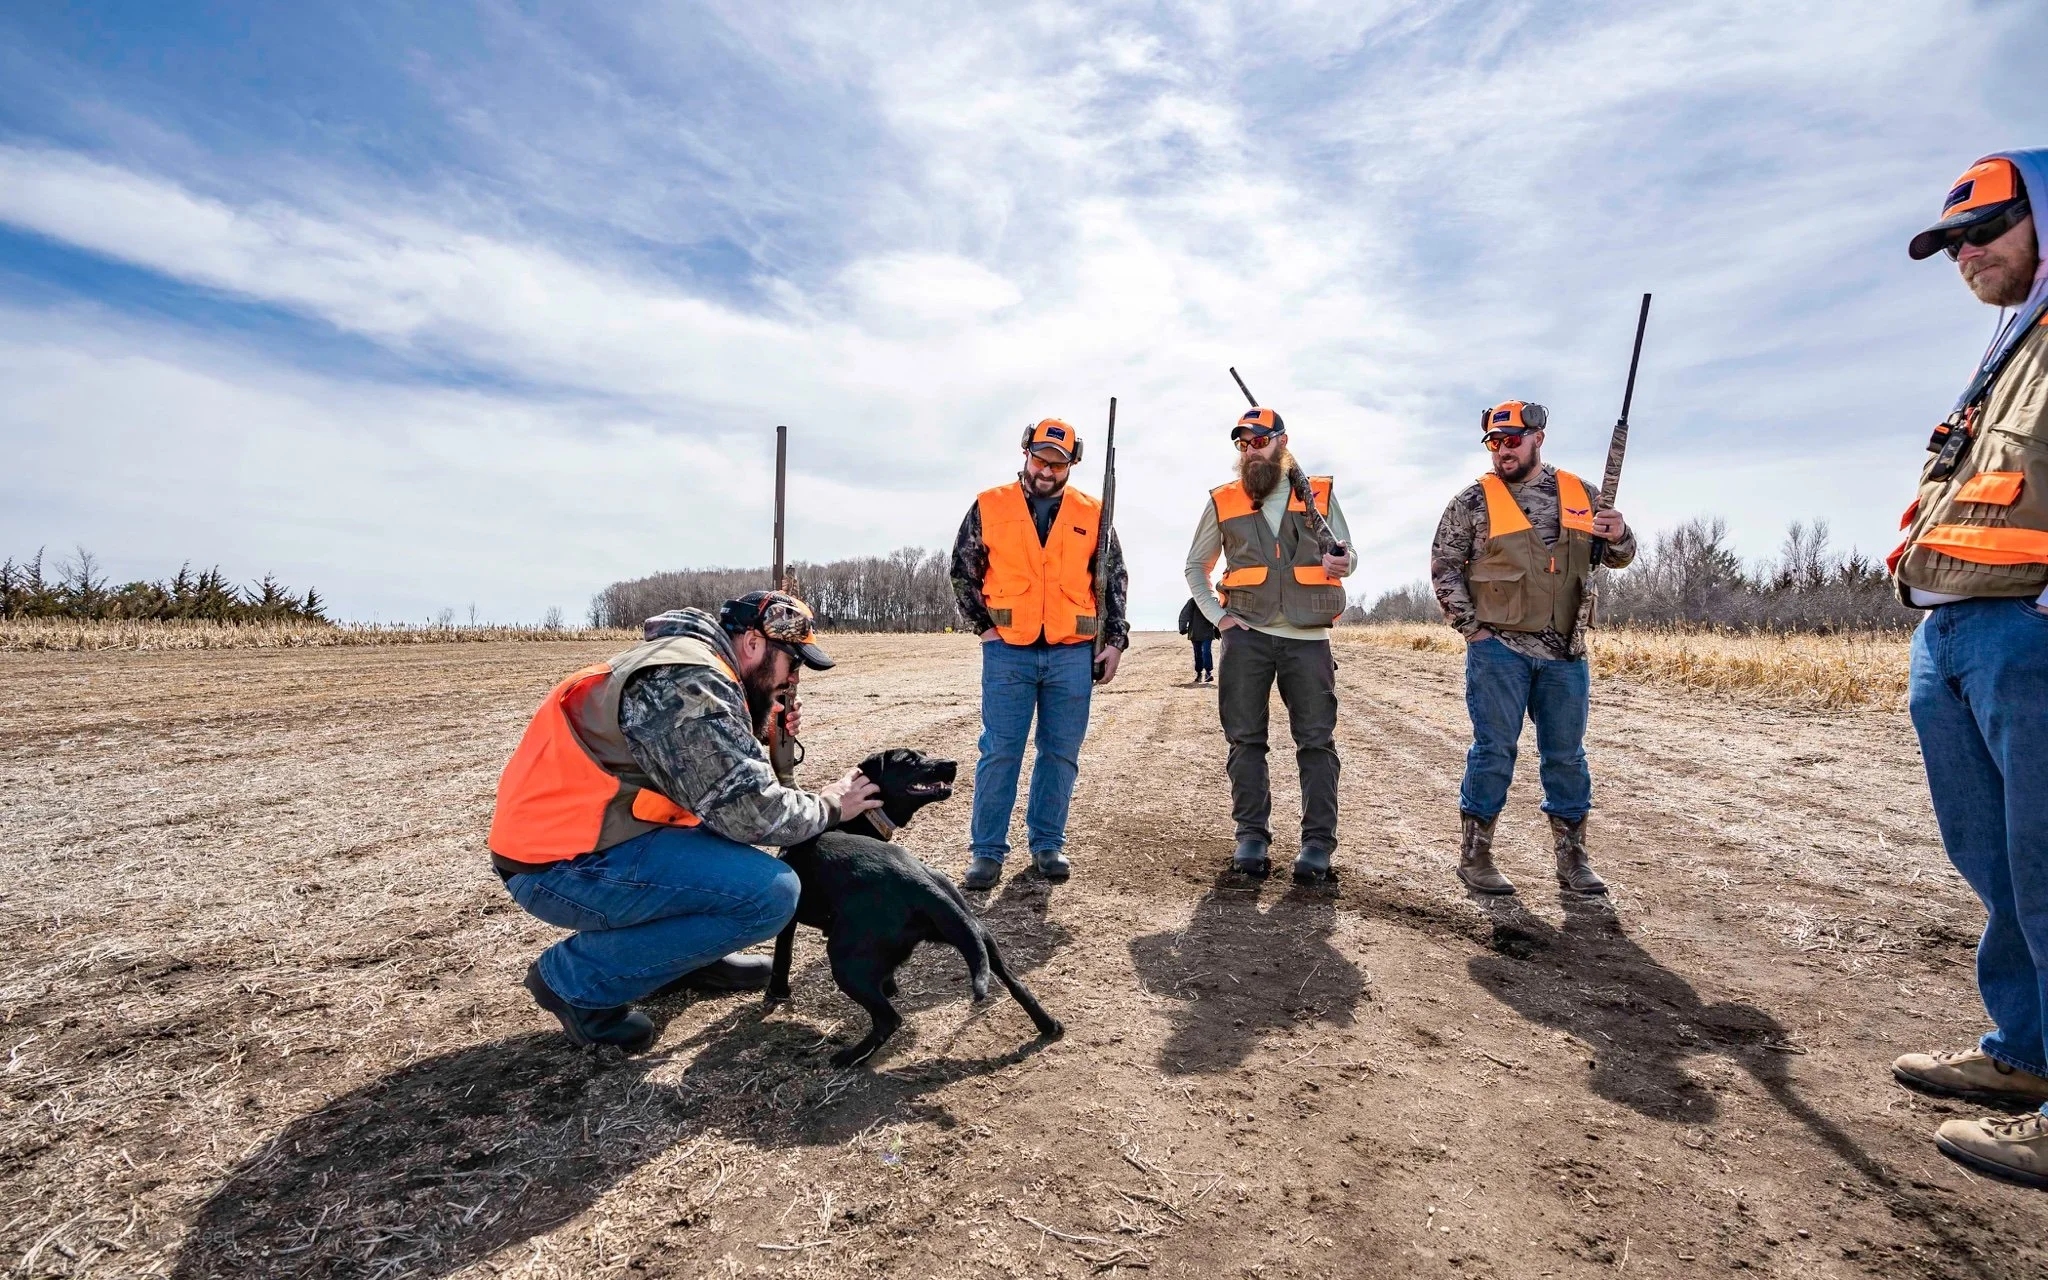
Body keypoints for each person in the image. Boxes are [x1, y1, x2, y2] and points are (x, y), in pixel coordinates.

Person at [488, 591, 881, 1052]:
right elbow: (753, 813)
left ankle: (683, 960)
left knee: (730, 862)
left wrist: (762, 733)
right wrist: (835, 804)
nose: (793, 678)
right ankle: (576, 981)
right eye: (791, 663)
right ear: (754, 643)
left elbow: (708, 788)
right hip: (561, 867)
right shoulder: (688, 682)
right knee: (769, 895)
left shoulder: (687, 662)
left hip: (597, 838)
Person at [1885, 148, 2048, 1190]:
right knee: (1999, 864)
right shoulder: (2010, 348)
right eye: (1951, 240)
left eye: (1986, 225)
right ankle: (2023, 1051)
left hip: (2023, 637)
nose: (1967, 250)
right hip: (1950, 635)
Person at [1429, 401, 1635, 897]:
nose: (1503, 450)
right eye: (1494, 443)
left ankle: (1573, 860)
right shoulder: (1472, 501)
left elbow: (1620, 556)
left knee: (1566, 757)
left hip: (1566, 652)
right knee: (1494, 750)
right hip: (1498, 649)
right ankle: (1476, 856)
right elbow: (1444, 567)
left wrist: (1620, 533)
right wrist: (1471, 629)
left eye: (1513, 440)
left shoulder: (1582, 494)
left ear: (1538, 438)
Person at [950, 418, 1129, 890]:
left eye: (1058, 463)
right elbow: (962, 569)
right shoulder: (990, 504)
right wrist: (983, 628)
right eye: (1040, 459)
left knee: (1061, 753)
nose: (1046, 470)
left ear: (1072, 463)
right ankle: (986, 852)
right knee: (999, 752)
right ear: (1025, 452)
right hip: (1008, 651)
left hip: (1072, 653)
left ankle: (1047, 844)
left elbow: (1112, 577)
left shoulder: (1095, 511)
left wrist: (1114, 640)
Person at [1184, 406, 1356, 884]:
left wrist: (1345, 563)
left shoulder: (1317, 494)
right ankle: (1251, 836)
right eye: (1242, 444)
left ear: (1282, 441)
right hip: (1248, 637)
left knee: (1317, 743)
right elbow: (1195, 567)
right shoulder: (1223, 499)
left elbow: (1348, 552)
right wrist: (1221, 620)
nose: (1250, 450)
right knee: (1245, 740)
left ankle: (1318, 843)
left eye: (1259, 440)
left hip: (1309, 639)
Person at [1178, 597, 1218, 683]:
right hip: (1195, 632)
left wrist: (1219, 629)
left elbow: (1217, 615)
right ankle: (1199, 673)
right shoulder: (1193, 601)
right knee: (1198, 653)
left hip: (1206, 632)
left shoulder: (1211, 601)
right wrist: (1182, 627)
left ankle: (1208, 673)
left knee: (1206, 651)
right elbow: (1185, 614)